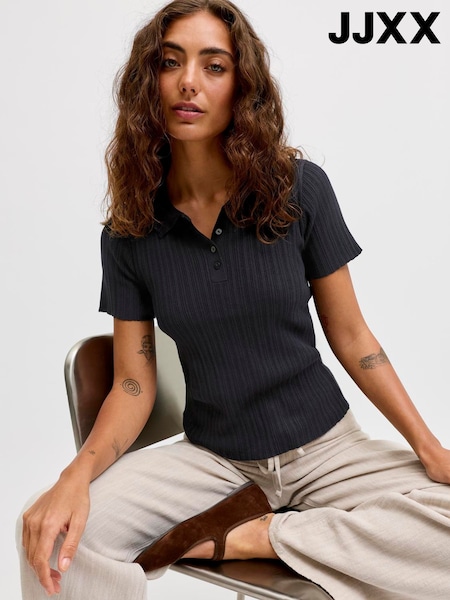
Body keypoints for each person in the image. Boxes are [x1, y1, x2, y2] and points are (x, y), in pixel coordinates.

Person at [17, 1, 450, 598]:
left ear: (242, 86)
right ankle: (306, 536)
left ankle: (263, 536)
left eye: (214, 66)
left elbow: (353, 338)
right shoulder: (130, 230)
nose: (189, 82)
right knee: (52, 533)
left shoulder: (299, 189)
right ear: (148, 81)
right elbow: (134, 384)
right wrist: (74, 477)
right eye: (170, 62)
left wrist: (430, 448)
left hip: (328, 449)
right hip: (215, 461)